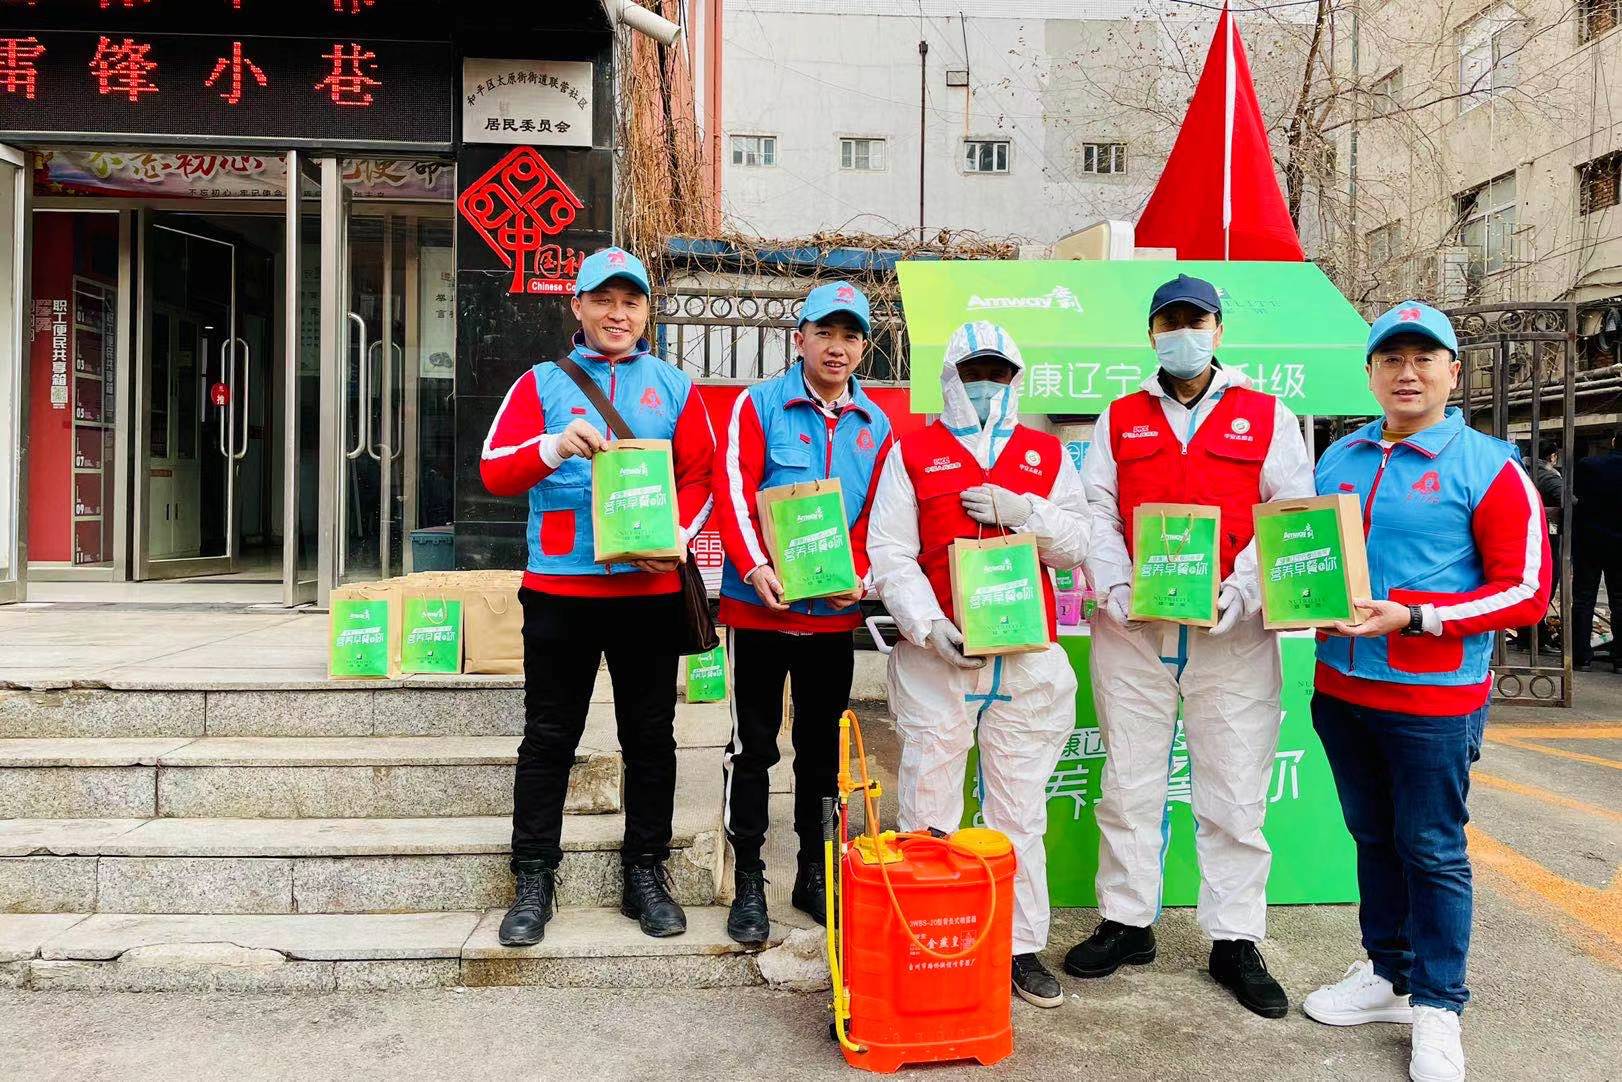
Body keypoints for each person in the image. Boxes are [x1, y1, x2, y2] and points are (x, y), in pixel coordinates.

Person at [1304, 301, 1551, 1082]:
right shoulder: (1339, 458)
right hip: (1342, 690)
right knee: (1373, 838)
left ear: (1452, 371)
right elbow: (1306, 555)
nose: (1406, 374)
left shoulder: (1490, 466)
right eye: (1391, 359)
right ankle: (1388, 973)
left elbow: (1527, 591)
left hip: (1431, 700)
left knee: (1434, 850)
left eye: (1423, 359)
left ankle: (1439, 1007)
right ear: (1371, 372)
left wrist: (1417, 615)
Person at [1067, 273, 1314, 1019]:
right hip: (1134, 634)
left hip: (1231, 635)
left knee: (1234, 791)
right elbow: (1096, 512)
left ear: (1218, 330)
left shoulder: (1266, 415)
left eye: (1196, 321)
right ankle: (1127, 921)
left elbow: (1289, 513)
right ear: (1152, 333)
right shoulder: (1120, 418)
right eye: (1170, 321)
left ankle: (1234, 939)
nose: (1184, 333)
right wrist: (1114, 584)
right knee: (1128, 782)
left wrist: (1241, 592)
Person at [480, 246, 716, 946]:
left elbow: (701, 476)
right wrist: (553, 447)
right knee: (549, 737)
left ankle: (645, 872)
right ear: (576, 306)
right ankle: (533, 877)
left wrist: (676, 533)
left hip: (649, 590)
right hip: (560, 589)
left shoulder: (674, 386)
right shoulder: (540, 384)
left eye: (631, 301)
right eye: (604, 300)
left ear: (646, 310)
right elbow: (493, 471)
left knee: (650, 737)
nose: (618, 313)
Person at [867, 320, 1092, 1008]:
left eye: (998, 372)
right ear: (950, 378)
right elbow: (889, 551)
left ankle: (1018, 945)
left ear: (1015, 379)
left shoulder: (1044, 455)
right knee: (928, 804)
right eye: (973, 372)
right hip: (939, 660)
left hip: (1026, 662)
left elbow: (1078, 543)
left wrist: (1026, 513)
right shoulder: (913, 451)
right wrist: (926, 624)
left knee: (1018, 811)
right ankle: (930, 935)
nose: (986, 384)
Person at [711, 281, 895, 944]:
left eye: (850, 335)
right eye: (825, 333)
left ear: (863, 346)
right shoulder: (758, 405)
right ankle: (749, 879)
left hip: (831, 620)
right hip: (759, 611)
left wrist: (861, 577)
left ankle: (815, 874)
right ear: (801, 339)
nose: (837, 347)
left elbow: (879, 514)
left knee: (821, 753)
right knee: (752, 748)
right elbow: (732, 490)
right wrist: (756, 566)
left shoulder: (876, 426)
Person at [1571, 429, 1622, 672]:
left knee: (1583, 598)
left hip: (1589, 541)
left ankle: (1581, 657)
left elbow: (1576, 495)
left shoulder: (1589, 465)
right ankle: (1620, 659)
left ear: (1613, 441)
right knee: (1620, 600)